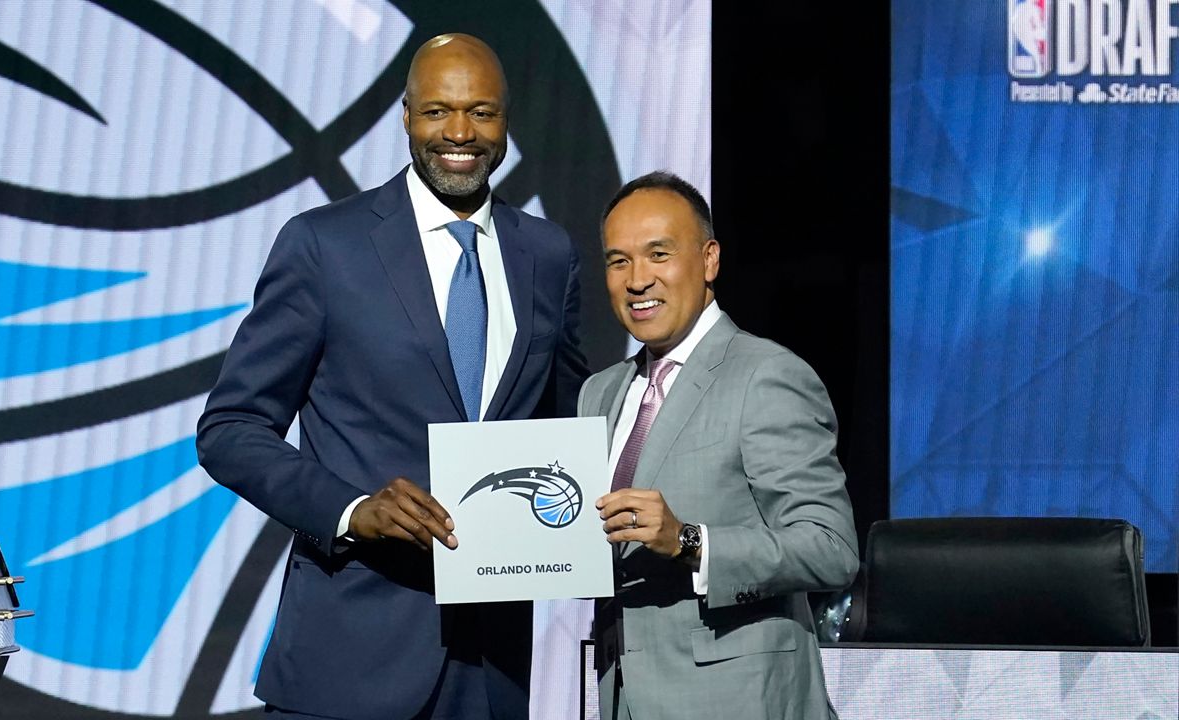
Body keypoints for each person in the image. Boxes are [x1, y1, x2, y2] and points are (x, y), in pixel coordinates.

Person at [196, 33, 587, 720]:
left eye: (481, 112)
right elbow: (230, 430)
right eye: (437, 111)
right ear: (405, 117)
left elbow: (569, 425)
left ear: (506, 122)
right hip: (348, 654)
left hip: (493, 669)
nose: (459, 132)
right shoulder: (325, 246)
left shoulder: (549, 256)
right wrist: (353, 509)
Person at [581, 171, 858, 720]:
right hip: (622, 698)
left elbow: (831, 548)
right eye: (618, 261)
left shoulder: (767, 375)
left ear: (709, 260)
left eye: (659, 254)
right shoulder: (600, 391)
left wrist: (691, 541)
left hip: (738, 700)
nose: (637, 280)